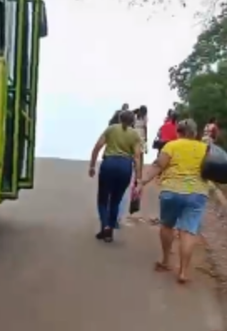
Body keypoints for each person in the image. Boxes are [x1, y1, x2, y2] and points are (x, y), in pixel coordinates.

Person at [139, 119, 209, 285]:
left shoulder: (171, 146)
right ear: (194, 133)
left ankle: (165, 261)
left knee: (167, 225)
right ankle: (183, 271)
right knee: (188, 232)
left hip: (172, 190)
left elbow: (158, 165)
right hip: (197, 193)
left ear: (178, 132)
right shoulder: (205, 148)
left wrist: (143, 181)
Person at [88, 110, 144, 242]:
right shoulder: (135, 135)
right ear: (133, 122)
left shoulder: (111, 129)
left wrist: (92, 166)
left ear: (119, 118)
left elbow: (97, 147)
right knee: (115, 200)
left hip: (109, 164)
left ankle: (105, 225)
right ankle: (110, 230)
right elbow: (137, 157)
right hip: (125, 166)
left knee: (102, 198)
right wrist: (138, 177)